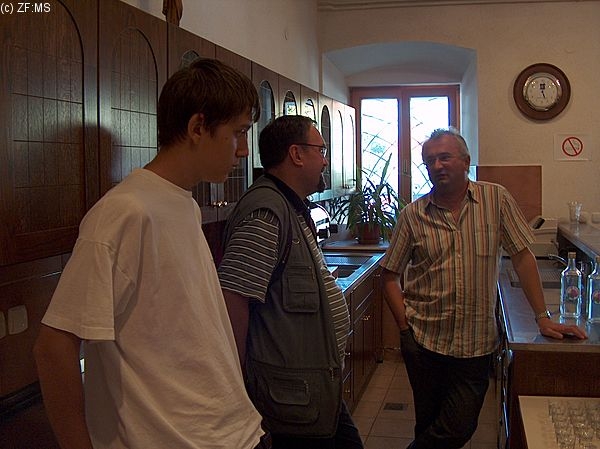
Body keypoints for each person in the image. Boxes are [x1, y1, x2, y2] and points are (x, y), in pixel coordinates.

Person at [33, 58, 267, 449]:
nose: (244, 151)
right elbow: (53, 346)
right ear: (198, 127)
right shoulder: (124, 212)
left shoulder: (184, 204)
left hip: (232, 433)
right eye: (238, 133)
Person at [380, 128, 587, 449]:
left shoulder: (496, 199)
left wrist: (543, 318)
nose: (437, 166)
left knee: (458, 427)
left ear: (466, 161)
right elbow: (389, 275)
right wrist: (405, 329)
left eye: (444, 157)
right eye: (429, 160)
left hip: (475, 343)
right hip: (424, 341)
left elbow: (522, 257)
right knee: (429, 424)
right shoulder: (413, 216)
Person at [218, 115, 364, 449]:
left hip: (308, 394)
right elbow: (233, 301)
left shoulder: (290, 207)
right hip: (287, 402)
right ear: (296, 154)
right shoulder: (266, 213)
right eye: (320, 150)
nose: (325, 160)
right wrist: (238, 395)